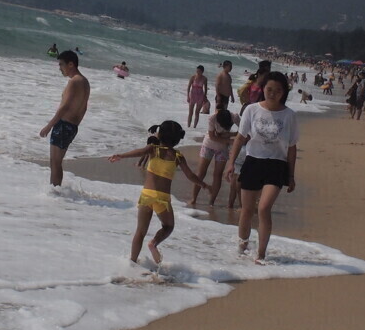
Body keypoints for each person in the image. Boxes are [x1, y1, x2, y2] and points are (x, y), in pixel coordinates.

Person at [109, 120, 207, 265]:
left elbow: (140, 152)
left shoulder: (153, 149)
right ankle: (154, 243)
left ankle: (132, 262)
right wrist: (203, 184)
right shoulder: (177, 156)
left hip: (147, 196)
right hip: (162, 198)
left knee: (140, 232)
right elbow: (190, 175)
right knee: (168, 226)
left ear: (159, 135)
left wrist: (121, 155)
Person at [225, 71, 298, 264]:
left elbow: (292, 148)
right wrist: (231, 163)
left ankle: (261, 254)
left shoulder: (289, 115)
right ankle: (242, 247)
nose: (272, 93)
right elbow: (240, 138)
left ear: (284, 92)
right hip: (253, 162)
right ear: (263, 89)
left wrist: (291, 176)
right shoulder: (251, 109)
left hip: (276, 165)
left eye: (277, 90)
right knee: (247, 210)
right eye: (269, 89)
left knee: (264, 208)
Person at [39, 50, 90, 186]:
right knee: (57, 162)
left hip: (63, 125)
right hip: (72, 127)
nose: (60, 68)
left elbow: (65, 107)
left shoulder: (74, 82)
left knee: (55, 163)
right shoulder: (85, 82)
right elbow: (84, 108)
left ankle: (55, 191)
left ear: (71, 64)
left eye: (61, 64)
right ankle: (57, 190)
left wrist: (49, 126)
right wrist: (74, 124)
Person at [187, 104, 238, 207]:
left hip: (223, 148)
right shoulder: (212, 118)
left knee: (217, 175)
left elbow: (243, 131)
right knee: (201, 172)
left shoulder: (234, 117)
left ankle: (212, 201)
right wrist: (229, 140)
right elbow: (212, 137)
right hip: (208, 145)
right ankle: (193, 198)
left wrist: (230, 134)